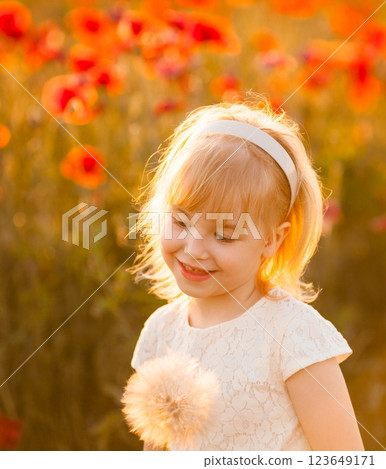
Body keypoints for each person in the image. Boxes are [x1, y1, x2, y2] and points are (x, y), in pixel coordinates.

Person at [125, 97, 364, 451]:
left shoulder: (293, 336)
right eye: (180, 221)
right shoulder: (162, 331)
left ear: (272, 239)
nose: (193, 248)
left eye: (223, 234)